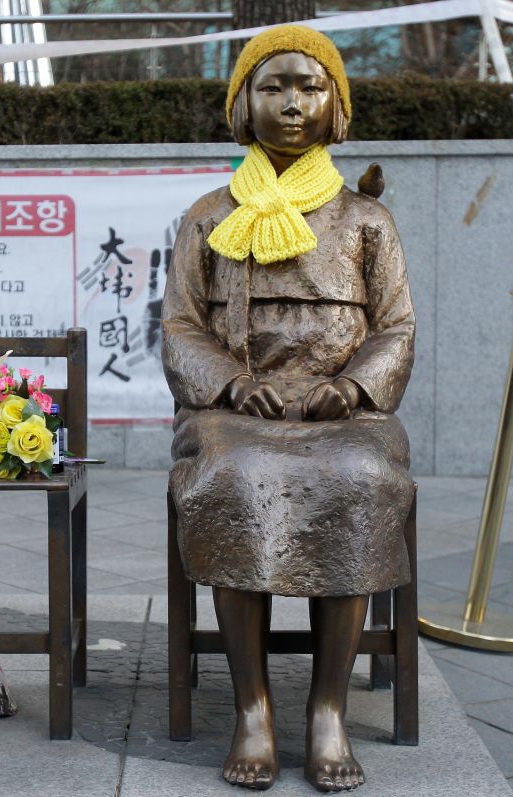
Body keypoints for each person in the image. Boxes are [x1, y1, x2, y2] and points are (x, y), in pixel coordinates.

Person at [161, 25, 415, 793]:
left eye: (310, 87)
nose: (294, 103)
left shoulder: (367, 220)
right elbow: (179, 324)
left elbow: (397, 325)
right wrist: (234, 385)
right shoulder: (209, 216)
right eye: (274, 87)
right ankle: (253, 708)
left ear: (336, 104)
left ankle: (328, 708)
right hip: (234, 412)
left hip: (346, 415)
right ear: (243, 103)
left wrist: (354, 385)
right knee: (234, 476)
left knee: (360, 478)